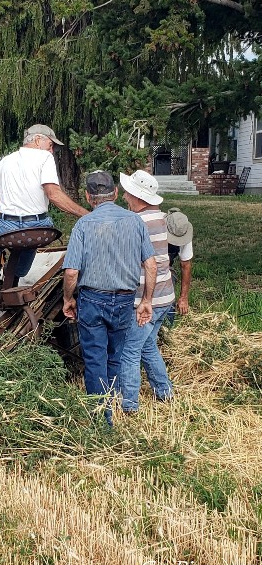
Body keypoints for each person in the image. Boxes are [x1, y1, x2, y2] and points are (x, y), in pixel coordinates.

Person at [0, 124, 89, 330]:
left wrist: (5, 209)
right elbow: (53, 194)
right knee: (30, 241)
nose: (51, 150)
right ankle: (14, 283)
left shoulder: (5, 161)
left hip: (7, 226)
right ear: (37, 140)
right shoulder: (45, 158)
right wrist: (86, 215)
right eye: (50, 145)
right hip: (40, 225)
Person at [62, 171, 156, 424]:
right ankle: (112, 405)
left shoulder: (83, 224)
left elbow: (72, 271)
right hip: (124, 301)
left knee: (95, 359)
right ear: (115, 193)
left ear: (88, 197)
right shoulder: (136, 222)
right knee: (115, 356)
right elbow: (150, 264)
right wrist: (146, 300)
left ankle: (101, 418)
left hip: (92, 300)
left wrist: (67, 300)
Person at [118, 171, 176, 413]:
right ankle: (164, 392)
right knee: (148, 345)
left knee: (129, 351)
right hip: (166, 295)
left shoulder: (136, 222)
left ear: (138, 197)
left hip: (146, 299)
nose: (124, 196)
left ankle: (129, 404)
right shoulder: (161, 218)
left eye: (128, 192)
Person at [165, 208, 193, 317]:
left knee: (169, 282)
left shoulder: (183, 228)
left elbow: (185, 265)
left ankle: (166, 325)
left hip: (167, 268)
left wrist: (183, 297)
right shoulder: (155, 226)